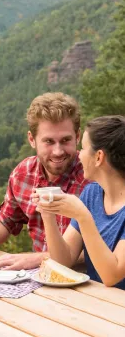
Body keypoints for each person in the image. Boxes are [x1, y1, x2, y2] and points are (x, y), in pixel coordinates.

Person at [0, 92, 89, 271]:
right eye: (49, 141)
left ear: (77, 137)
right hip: (40, 278)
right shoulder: (24, 173)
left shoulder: (94, 178)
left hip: (87, 282)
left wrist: (37, 259)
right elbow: (6, 220)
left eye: (65, 140)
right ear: (32, 140)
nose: (58, 151)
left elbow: (107, 247)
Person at [35, 116, 125, 289]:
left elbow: (111, 275)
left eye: (83, 148)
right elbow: (64, 260)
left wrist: (82, 216)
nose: (79, 154)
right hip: (96, 303)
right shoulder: (91, 194)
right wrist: (48, 214)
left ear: (99, 157)